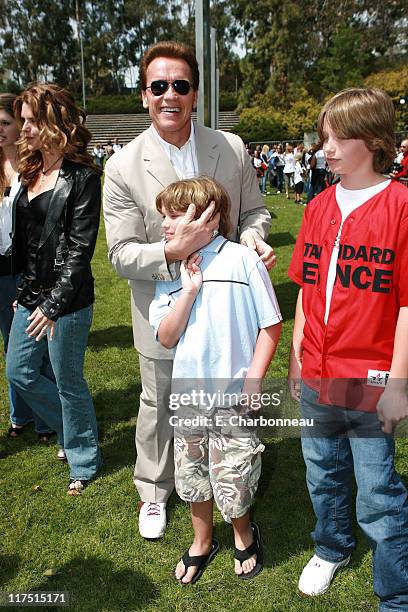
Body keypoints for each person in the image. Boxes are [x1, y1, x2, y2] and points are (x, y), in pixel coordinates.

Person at [103, 40, 276, 540]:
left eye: (180, 85)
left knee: (226, 400)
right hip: (164, 309)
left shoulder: (232, 147)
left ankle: (234, 476)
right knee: (159, 402)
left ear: (195, 93)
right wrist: (178, 253)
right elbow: (120, 253)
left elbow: (256, 212)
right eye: (159, 86)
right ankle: (154, 491)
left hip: (227, 315)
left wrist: (250, 237)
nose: (169, 95)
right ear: (144, 96)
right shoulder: (122, 166)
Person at [288, 87, 408, 609]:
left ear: (376, 140)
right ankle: (332, 546)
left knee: (379, 493)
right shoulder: (317, 206)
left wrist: (398, 384)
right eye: (323, 137)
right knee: (322, 472)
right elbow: (306, 288)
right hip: (316, 373)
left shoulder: (402, 206)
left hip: (372, 379)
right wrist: (295, 355)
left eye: (339, 136)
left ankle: (396, 592)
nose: (327, 147)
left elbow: (407, 306)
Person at [149, 176, 282, 583]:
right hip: (189, 397)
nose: (165, 226)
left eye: (174, 216)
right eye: (164, 218)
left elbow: (270, 324)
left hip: (233, 398)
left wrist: (254, 380)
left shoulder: (242, 260)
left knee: (235, 471)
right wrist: (188, 291)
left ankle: (243, 534)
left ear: (209, 217)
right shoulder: (171, 270)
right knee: (192, 475)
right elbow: (167, 336)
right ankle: (202, 541)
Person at [6, 83, 103, 495]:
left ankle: (83, 457)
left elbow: (80, 250)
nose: (24, 129)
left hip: (69, 301)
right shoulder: (29, 172)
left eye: (31, 120)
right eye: (23, 120)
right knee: (20, 370)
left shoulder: (83, 177)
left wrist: (53, 304)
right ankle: (74, 431)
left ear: (54, 123)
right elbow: (28, 243)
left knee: (67, 380)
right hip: (31, 297)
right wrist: (26, 293)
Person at [0, 93, 53, 442]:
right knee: (11, 344)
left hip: (28, 266)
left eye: (5, 123)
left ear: (20, 125)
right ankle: (20, 414)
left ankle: (48, 419)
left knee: (38, 343)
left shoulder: (33, 165)